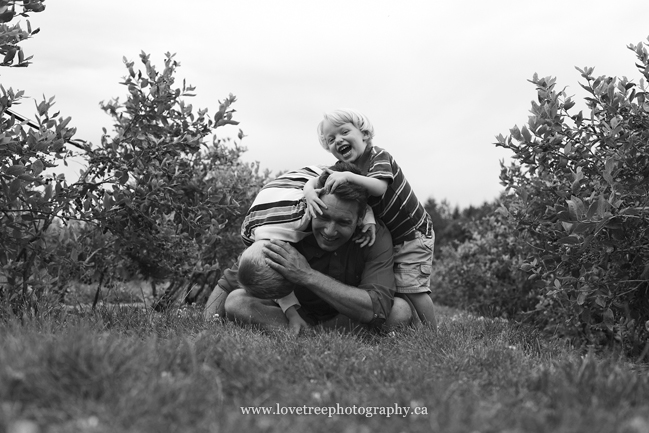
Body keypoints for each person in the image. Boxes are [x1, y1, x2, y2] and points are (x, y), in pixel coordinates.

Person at [204, 163, 412, 334]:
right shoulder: (288, 229)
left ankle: (310, 336)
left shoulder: (374, 237)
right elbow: (228, 282)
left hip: (347, 317)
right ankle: (317, 335)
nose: (330, 231)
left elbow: (377, 307)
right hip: (297, 314)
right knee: (237, 302)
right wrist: (207, 326)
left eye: (343, 222)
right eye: (322, 216)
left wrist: (307, 275)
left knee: (399, 311)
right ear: (311, 207)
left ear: (360, 218)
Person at [304, 108, 437, 329]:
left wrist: (348, 176)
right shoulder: (345, 169)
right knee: (400, 286)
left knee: (413, 288)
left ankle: (434, 332)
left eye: (344, 132)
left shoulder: (379, 156)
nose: (339, 140)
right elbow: (317, 181)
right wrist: (309, 192)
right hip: (396, 235)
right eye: (331, 139)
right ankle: (415, 326)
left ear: (364, 134)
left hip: (413, 233)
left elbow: (378, 188)